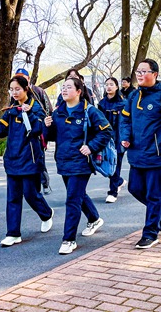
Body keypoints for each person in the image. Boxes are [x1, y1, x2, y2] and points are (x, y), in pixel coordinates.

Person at [120, 58, 161, 249]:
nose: (139, 75)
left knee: (154, 195)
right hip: (137, 154)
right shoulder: (133, 96)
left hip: (158, 155)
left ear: (154, 74)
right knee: (135, 189)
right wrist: (125, 136)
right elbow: (125, 120)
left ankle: (150, 233)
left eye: (144, 71)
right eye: (138, 72)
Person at [44, 77, 112, 254]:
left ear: (79, 91)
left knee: (72, 199)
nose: (64, 90)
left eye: (68, 87)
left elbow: (106, 131)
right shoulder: (58, 112)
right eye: (63, 87)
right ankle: (94, 218)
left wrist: (91, 146)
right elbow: (52, 137)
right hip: (63, 161)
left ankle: (69, 239)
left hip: (82, 162)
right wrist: (47, 126)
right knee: (77, 194)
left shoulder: (89, 111)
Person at [0, 76, 54, 247]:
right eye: (12, 89)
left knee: (31, 194)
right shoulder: (11, 110)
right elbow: (0, 131)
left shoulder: (35, 108)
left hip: (30, 159)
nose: (14, 93)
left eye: (17, 89)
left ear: (26, 89)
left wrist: (28, 113)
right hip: (12, 160)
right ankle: (13, 233)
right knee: (13, 198)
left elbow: (38, 130)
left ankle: (46, 214)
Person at [14, 68, 53, 195]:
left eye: (22, 77)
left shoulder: (38, 91)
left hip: (38, 131)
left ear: (28, 79)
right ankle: (30, 188)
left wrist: (45, 128)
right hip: (22, 134)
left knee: (38, 157)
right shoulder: (15, 94)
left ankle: (44, 183)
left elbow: (48, 110)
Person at [98, 77, 127, 203]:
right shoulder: (102, 103)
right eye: (107, 85)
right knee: (106, 164)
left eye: (111, 84)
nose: (109, 87)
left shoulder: (123, 103)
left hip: (119, 137)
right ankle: (119, 181)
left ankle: (113, 192)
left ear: (117, 87)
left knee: (116, 163)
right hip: (106, 137)